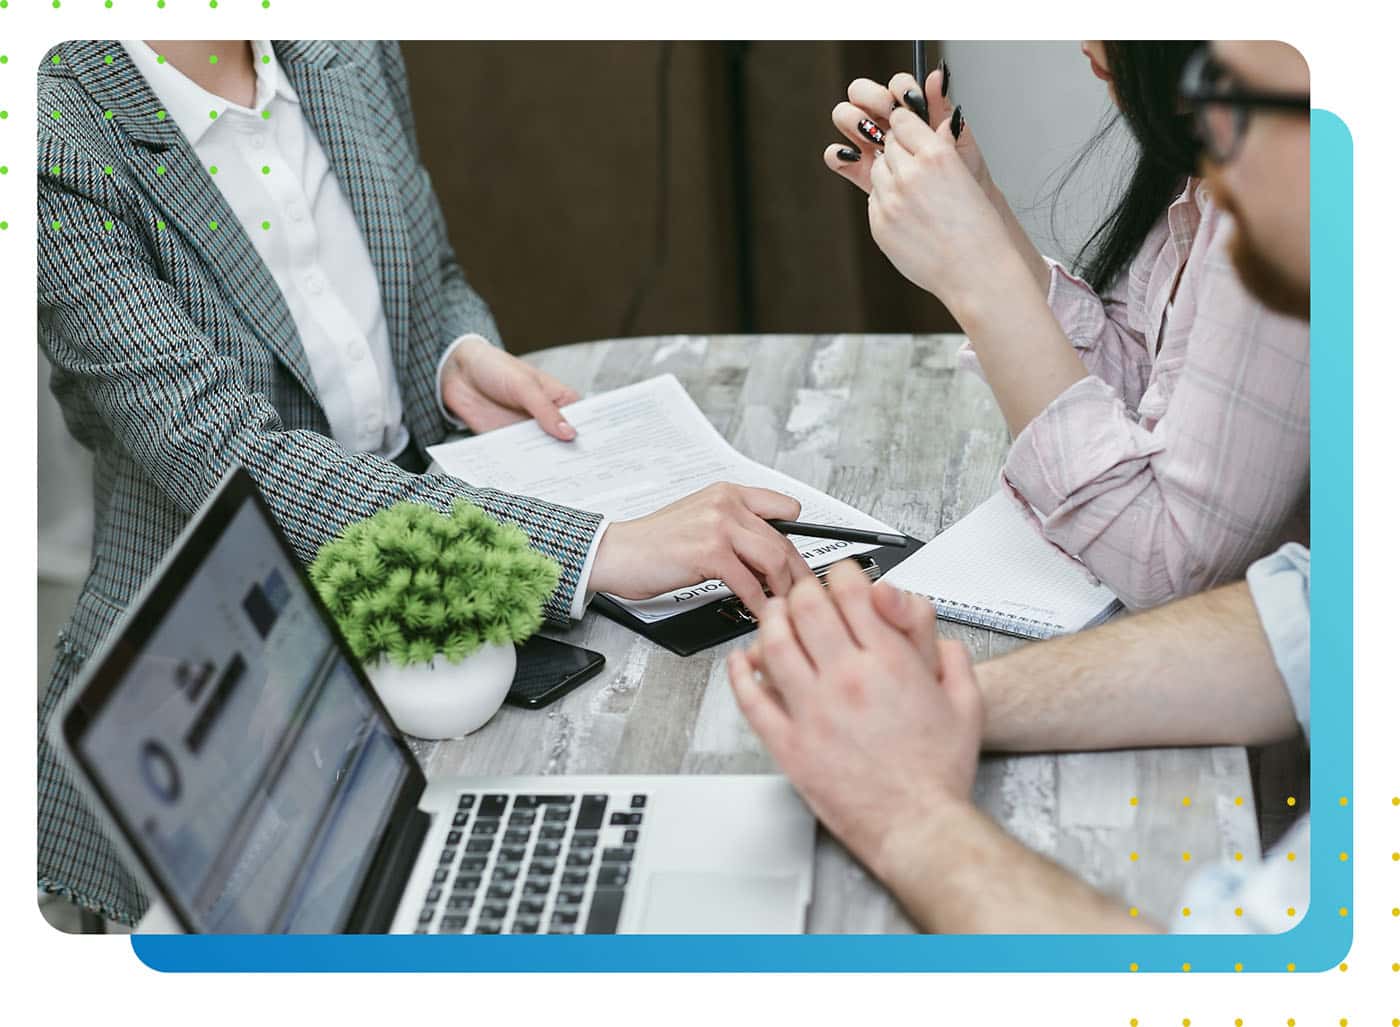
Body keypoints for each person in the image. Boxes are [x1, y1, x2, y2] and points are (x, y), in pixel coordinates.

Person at [37, 39, 814, 925]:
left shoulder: (347, 45)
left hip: (434, 609)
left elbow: (431, 275)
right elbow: (235, 463)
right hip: (223, 715)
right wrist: (601, 545)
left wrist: (452, 356)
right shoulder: (52, 129)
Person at [734, 40, 1312, 932]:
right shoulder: (1226, 199)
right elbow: (1301, 618)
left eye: (1235, 93)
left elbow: (1173, 558)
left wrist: (911, 812)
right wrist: (989, 230)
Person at [825, 43, 1309, 610]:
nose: (1087, 38)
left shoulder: (1291, 193)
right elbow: (1140, 399)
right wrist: (980, 209)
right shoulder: (1213, 164)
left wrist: (979, 268)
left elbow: (1170, 566)